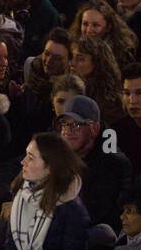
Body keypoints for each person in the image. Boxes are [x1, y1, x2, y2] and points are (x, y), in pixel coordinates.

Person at [55, 94, 133, 238]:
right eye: (64, 124)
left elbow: (90, 214)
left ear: (94, 129)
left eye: (76, 125)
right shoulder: (60, 153)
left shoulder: (113, 164)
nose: (68, 131)